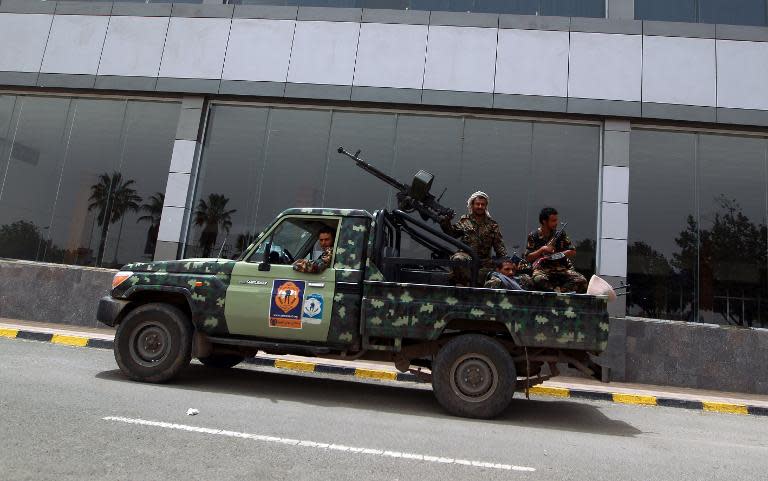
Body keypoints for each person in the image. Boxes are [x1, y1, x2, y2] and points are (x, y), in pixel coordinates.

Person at [439, 191, 507, 286]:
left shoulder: (492, 225)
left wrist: (504, 262)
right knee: (458, 259)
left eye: (482, 204)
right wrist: (445, 222)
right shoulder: (465, 221)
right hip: (466, 260)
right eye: (477, 204)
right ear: (472, 205)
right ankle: (464, 283)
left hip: (484, 264)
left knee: (496, 280)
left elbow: (499, 247)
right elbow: (452, 234)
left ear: (486, 206)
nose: (480, 206)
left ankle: (472, 282)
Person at [525, 207, 587, 293]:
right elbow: (528, 257)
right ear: (544, 221)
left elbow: (572, 251)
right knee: (538, 279)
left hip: (560, 269)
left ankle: (558, 292)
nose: (556, 223)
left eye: (556, 220)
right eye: (553, 221)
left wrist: (557, 255)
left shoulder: (560, 234)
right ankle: (556, 293)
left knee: (581, 280)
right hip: (542, 269)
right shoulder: (533, 235)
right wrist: (542, 250)